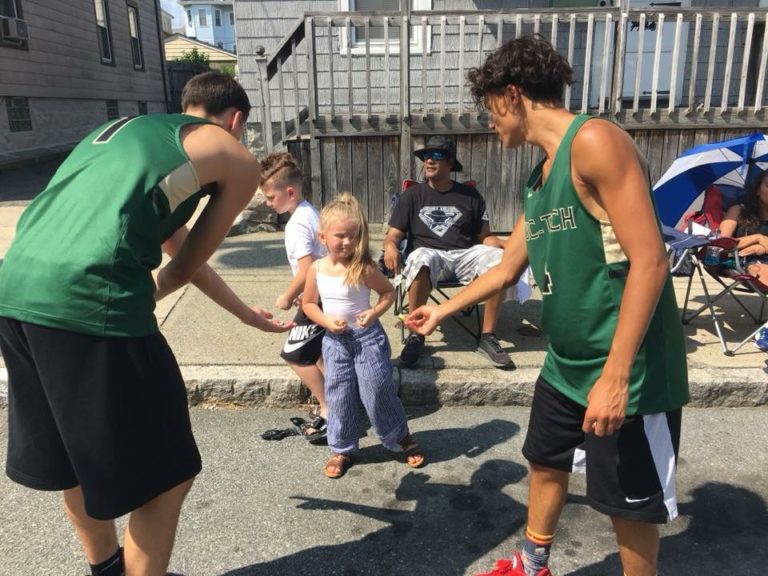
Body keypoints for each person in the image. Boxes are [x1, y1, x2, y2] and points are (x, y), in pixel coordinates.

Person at [405, 35, 689, 576]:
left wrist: (616, 377)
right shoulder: (539, 176)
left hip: (625, 368)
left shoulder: (596, 141)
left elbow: (651, 260)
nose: (490, 121)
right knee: (544, 460)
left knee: (628, 507)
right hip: (566, 365)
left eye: (490, 106)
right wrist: (441, 310)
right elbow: (505, 269)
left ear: (512, 94)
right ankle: (534, 564)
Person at [0, 71, 291, 576]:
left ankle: (107, 568)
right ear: (236, 120)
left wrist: (246, 315)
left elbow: (183, 256)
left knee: (73, 459)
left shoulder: (128, 134)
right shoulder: (236, 157)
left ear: (185, 105)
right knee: (169, 475)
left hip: (13, 291)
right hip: (91, 299)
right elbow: (181, 269)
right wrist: (133, 296)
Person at [302, 193, 426, 479]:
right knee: (339, 394)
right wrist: (326, 322)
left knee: (377, 389)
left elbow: (388, 293)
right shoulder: (316, 269)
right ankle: (342, 447)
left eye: (354, 236)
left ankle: (400, 435)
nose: (348, 242)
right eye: (340, 236)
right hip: (335, 342)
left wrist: (373, 313)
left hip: (367, 339)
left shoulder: (363, 267)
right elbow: (308, 304)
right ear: (322, 236)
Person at [383, 134, 528, 369]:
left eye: (436, 155)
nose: (429, 160)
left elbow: (485, 236)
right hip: (430, 255)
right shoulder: (412, 196)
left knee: (498, 260)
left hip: (464, 256)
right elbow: (393, 235)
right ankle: (416, 335)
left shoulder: (471, 197)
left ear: (450, 163)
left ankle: (488, 336)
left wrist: (508, 246)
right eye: (426, 156)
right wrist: (390, 246)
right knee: (420, 257)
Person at [260, 151, 328, 439]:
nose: (267, 203)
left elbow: (307, 268)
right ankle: (339, 401)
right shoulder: (309, 212)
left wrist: (287, 296)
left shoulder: (297, 223)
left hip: (316, 298)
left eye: (270, 197)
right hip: (324, 295)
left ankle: (329, 410)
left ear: (289, 192)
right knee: (319, 354)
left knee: (295, 355)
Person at [718, 169, 768, 284]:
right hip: (741, 264)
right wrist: (757, 238)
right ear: (758, 190)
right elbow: (719, 244)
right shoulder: (738, 211)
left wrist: (761, 248)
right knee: (759, 269)